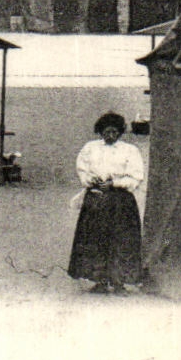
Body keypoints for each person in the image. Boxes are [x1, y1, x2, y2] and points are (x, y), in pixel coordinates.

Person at [68, 112, 146, 294]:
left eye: (114, 132)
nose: (110, 136)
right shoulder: (90, 148)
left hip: (121, 201)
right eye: (106, 132)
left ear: (119, 132)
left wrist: (115, 183)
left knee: (121, 241)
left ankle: (119, 283)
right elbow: (82, 169)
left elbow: (136, 175)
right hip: (97, 200)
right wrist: (90, 180)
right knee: (96, 240)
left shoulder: (129, 150)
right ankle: (100, 281)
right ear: (100, 132)